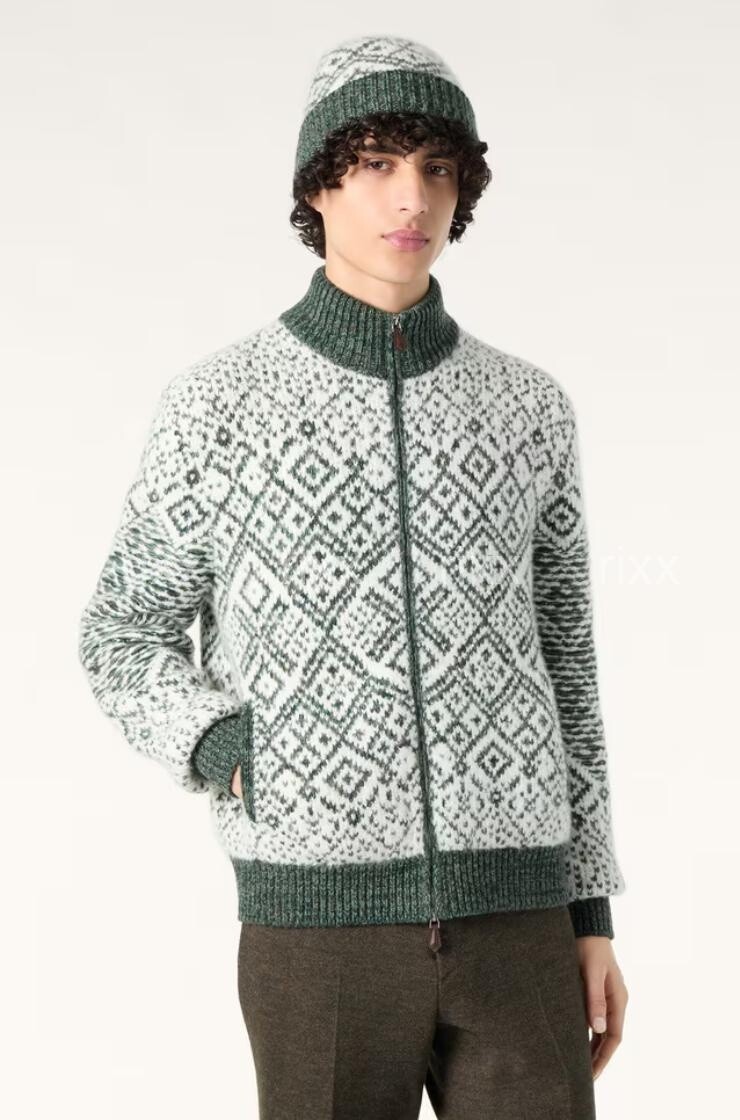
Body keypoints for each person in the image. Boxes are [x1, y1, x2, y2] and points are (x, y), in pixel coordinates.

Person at [78, 32, 628, 1119]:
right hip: (315, 933)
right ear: (318, 186)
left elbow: (566, 664)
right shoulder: (220, 404)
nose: (410, 197)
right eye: (375, 164)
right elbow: (122, 632)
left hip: (518, 923)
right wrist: (221, 741)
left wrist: (589, 912)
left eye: (436, 168)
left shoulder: (528, 408)